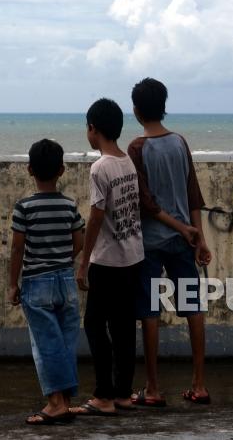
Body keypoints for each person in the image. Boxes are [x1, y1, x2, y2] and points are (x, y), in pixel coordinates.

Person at [128, 77, 213, 406]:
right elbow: (193, 194)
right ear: (163, 107)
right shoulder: (180, 142)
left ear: (136, 111)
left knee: (149, 312)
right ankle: (200, 384)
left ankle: (152, 388)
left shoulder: (137, 148)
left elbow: (146, 204)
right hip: (184, 241)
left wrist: (179, 228)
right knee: (194, 308)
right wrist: (196, 236)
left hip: (150, 244)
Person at [71, 98, 145, 417]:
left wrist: (84, 262)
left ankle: (103, 395)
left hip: (108, 260)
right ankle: (123, 393)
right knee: (124, 326)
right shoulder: (126, 162)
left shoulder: (100, 167)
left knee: (94, 324)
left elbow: (97, 216)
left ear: (93, 129)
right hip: (133, 256)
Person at [8, 138, 85, 425]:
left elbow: (18, 248)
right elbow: (80, 240)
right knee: (65, 343)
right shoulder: (69, 205)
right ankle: (65, 400)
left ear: (29, 170)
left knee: (46, 345)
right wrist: (62, 259)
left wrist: (13, 284)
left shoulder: (24, 207)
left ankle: (55, 404)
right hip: (65, 280)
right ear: (62, 170)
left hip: (36, 282)